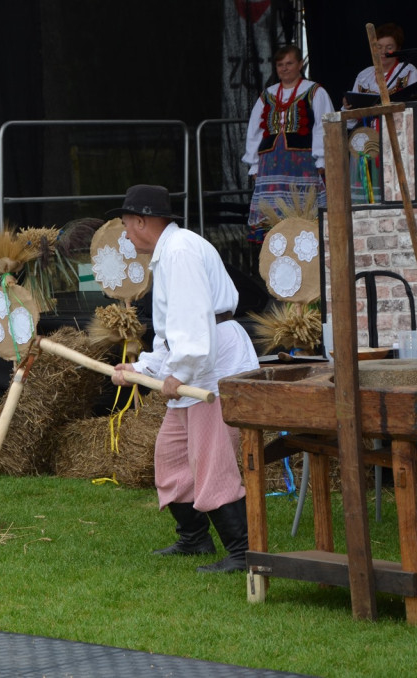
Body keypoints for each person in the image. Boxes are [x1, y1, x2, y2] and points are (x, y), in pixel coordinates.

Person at [108, 185, 259, 574]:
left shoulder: (180, 252)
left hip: (214, 366)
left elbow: (194, 321)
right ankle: (195, 538)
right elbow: (171, 334)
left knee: (211, 459)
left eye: (126, 224)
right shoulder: (169, 254)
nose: (125, 233)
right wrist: (142, 370)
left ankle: (243, 552)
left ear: (142, 220)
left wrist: (182, 373)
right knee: (171, 455)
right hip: (197, 362)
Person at [243, 45, 334, 245]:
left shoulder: (314, 91)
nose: (284, 68)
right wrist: (254, 164)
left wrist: (321, 160)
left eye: (289, 63)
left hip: (302, 164)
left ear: (300, 64)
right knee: (272, 213)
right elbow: (254, 131)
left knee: (303, 209)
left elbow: (323, 126)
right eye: (280, 65)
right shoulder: (268, 94)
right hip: (270, 164)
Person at [342, 23, 417, 204]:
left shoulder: (409, 73)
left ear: (398, 50)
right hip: (367, 145)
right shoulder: (364, 76)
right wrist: (348, 108)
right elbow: (349, 121)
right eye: (378, 47)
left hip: (398, 143)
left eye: (389, 47)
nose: (383, 52)